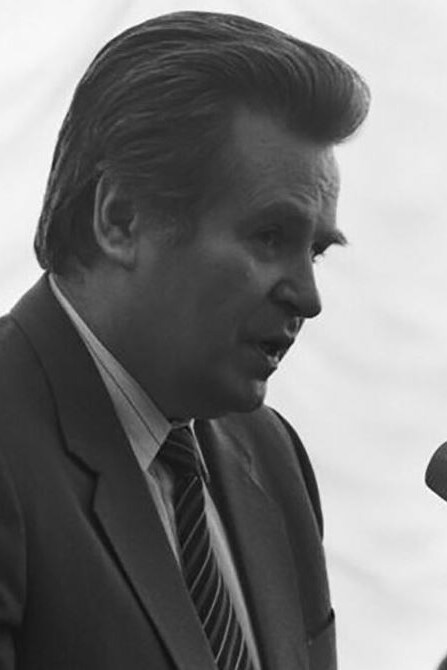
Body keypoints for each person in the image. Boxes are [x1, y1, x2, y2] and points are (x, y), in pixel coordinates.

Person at [0, 11, 369, 670]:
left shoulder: (272, 455)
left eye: (316, 251)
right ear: (120, 218)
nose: (309, 298)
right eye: (269, 237)